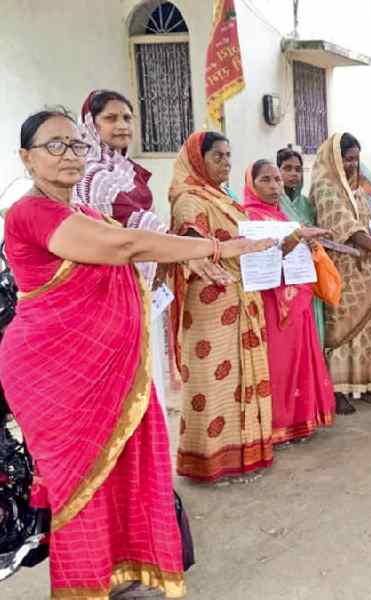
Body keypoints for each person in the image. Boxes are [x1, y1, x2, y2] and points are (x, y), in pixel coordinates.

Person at [0, 108, 271, 598]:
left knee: (124, 468)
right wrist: (213, 249)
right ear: (26, 157)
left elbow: (133, 255)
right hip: (57, 373)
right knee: (80, 482)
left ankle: (120, 571)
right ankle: (83, 585)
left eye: (76, 145)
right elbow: (122, 245)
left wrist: (189, 262)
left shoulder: (85, 211)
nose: (68, 155)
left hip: (113, 369)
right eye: (53, 146)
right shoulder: (29, 212)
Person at [75, 90, 229, 424]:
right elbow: (116, 230)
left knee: (144, 381)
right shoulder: (91, 175)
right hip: (107, 293)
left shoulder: (125, 170)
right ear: (90, 124)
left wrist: (170, 254)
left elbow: (143, 222)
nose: (122, 126)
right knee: (118, 388)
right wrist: (184, 252)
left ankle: (145, 465)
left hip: (141, 287)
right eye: (111, 118)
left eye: (127, 118)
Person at [169, 131, 296, 482]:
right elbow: (188, 234)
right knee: (214, 381)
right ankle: (208, 461)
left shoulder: (221, 197)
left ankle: (245, 453)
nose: (225, 163)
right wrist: (201, 251)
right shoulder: (189, 198)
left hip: (243, 295)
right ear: (198, 160)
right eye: (217, 157)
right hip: (211, 301)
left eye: (228, 156)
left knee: (243, 376)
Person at [243, 159, 335, 444]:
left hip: (297, 297)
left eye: (276, 180)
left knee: (299, 357)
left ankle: (299, 420)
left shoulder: (282, 216)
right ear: (251, 183)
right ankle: (276, 425)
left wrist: (306, 245)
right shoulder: (248, 218)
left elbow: (291, 249)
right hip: (270, 301)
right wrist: (296, 238)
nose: (274, 186)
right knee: (277, 363)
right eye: (266, 180)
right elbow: (259, 259)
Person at [309, 133, 371, 414]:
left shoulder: (358, 190)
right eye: (347, 158)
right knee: (343, 328)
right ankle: (339, 390)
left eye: (355, 159)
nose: (352, 164)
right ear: (334, 159)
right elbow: (346, 227)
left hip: (368, 269)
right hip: (341, 270)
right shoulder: (325, 188)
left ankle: (369, 383)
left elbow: (370, 224)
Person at [277, 145, 326, 348]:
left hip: (307, 271)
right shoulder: (273, 203)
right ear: (278, 170)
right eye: (287, 168)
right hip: (284, 276)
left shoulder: (307, 204)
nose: (293, 174)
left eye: (298, 169)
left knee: (312, 325)